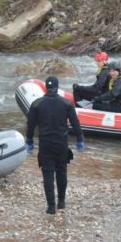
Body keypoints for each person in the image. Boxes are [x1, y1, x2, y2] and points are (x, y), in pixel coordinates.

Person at [25, 76, 85, 214]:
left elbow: (31, 125)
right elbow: (75, 122)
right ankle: (62, 202)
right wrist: (80, 139)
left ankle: (51, 207)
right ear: (57, 87)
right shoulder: (66, 103)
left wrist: (29, 141)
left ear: (46, 87)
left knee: (47, 174)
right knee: (62, 171)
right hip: (61, 143)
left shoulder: (36, 104)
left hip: (45, 143)